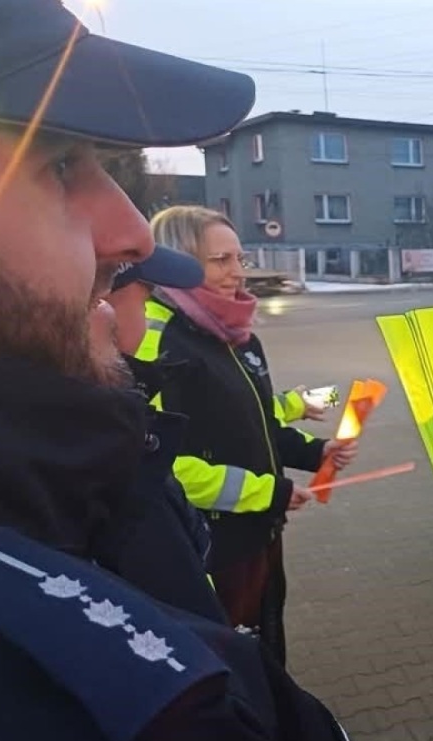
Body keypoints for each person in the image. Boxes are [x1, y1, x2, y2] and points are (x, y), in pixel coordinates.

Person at [0, 0, 361, 737]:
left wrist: (305, 448)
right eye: (59, 164)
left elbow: (255, 417)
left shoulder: (55, 483)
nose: (130, 235)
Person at [135, 204, 357, 667]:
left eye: (240, 258)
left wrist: (318, 452)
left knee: (267, 649)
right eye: (220, 260)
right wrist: (268, 492)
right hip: (212, 548)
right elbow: (165, 469)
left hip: (260, 531)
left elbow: (256, 422)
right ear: (177, 263)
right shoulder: (157, 343)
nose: (238, 272)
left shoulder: (236, 336)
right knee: (233, 663)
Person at [94, 245, 228, 623]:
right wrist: (271, 492)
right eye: (144, 301)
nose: (237, 271)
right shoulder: (109, 452)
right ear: (99, 309)